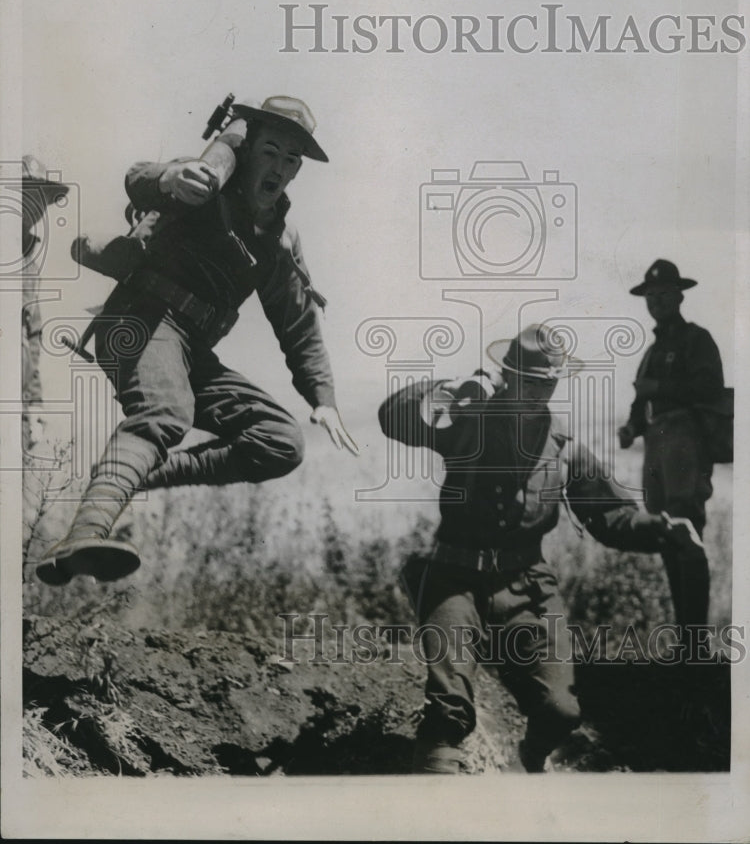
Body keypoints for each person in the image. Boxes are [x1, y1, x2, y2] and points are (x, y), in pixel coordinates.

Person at [37, 95, 357, 586]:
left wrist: (323, 398)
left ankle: (127, 477)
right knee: (167, 413)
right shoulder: (205, 186)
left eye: (291, 160)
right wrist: (172, 180)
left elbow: (298, 325)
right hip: (138, 320)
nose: (280, 167)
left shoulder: (277, 241)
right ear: (247, 151)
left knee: (280, 442)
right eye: (271, 151)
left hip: (189, 349)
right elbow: (140, 177)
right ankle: (85, 533)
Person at [379, 324, 698, 774]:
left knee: (560, 712)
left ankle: (529, 757)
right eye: (530, 380)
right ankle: (435, 803)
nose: (539, 391)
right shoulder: (469, 422)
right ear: (506, 376)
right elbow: (392, 418)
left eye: (548, 382)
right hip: (454, 579)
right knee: (448, 707)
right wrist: (443, 389)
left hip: (527, 587)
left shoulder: (564, 448)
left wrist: (662, 528)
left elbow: (610, 516)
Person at [617, 259, 724, 630]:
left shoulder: (697, 339)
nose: (656, 301)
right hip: (656, 446)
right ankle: (685, 641)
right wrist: (631, 427)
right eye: (650, 295)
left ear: (679, 296)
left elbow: (710, 389)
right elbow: (639, 400)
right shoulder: (650, 352)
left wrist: (660, 390)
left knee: (685, 529)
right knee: (665, 533)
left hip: (684, 441)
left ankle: (694, 642)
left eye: (663, 294)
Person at [21, 155, 70, 452]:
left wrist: (35, 403)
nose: (39, 206)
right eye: (31, 194)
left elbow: (33, 335)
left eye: (45, 199)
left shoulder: (28, 260)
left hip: (15, 397)